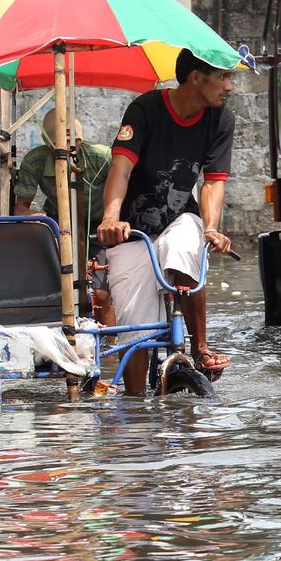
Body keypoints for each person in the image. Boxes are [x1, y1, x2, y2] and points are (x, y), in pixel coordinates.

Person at [98, 49, 236, 394]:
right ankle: (135, 407)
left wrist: (211, 228)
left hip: (180, 218)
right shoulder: (145, 109)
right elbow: (121, 167)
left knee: (185, 244)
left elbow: (213, 181)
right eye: (223, 77)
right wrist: (111, 219)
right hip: (131, 230)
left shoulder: (220, 119)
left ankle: (200, 348)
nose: (229, 87)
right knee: (135, 327)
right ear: (196, 78)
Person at [15, 109, 115, 327]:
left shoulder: (102, 156)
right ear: (48, 142)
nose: (70, 147)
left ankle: (110, 341)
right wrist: (36, 217)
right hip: (58, 225)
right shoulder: (35, 161)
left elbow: (123, 189)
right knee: (58, 289)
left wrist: (112, 220)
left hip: (99, 226)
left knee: (101, 294)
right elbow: (20, 208)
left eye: (75, 140)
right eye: (63, 141)